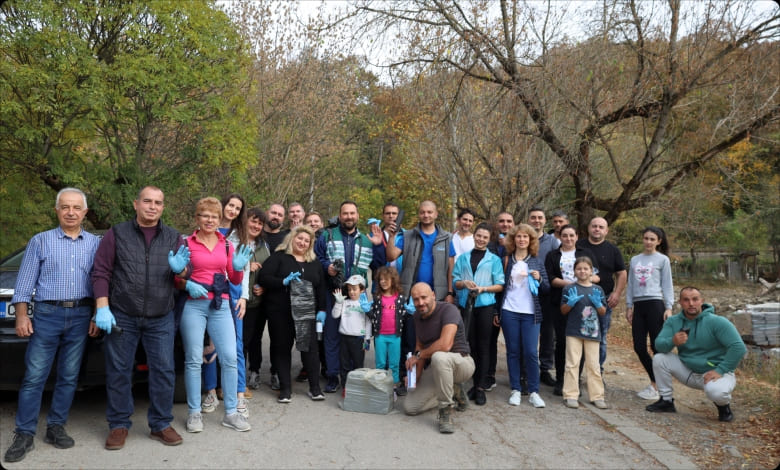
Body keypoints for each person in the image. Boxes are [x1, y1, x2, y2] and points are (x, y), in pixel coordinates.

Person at [4, 188, 100, 463]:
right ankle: (24, 433)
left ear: (85, 212)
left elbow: (100, 282)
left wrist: (96, 313)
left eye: (76, 207)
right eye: (65, 207)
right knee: (35, 376)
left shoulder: (94, 244)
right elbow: (24, 283)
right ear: (57, 210)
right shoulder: (40, 241)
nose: (71, 212)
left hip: (81, 316)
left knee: (69, 376)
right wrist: (22, 315)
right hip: (46, 315)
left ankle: (56, 427)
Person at [91, 186, 189, 450]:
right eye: (147, 201)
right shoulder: (117, 233)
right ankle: (119, 425)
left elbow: (184, 275)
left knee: (164, 371)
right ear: (136, 204)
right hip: (123, 314)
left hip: (161, 317)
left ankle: (160, 424)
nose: (152, 206)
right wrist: (102, 306)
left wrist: (183, 272)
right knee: (119, 371)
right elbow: (100, 272)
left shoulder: (173, 237)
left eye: (158, 202)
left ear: (163, 207)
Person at [178, 197, 251, 433]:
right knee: (193, 358)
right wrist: (184, 282)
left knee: (229, 357)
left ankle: (230, 412)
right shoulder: (186, 243)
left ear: (219, 219)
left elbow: (234, 278)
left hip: (221, 303)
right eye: (204, 215)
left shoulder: (227, 245)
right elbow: (176, 277)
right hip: (194, 304)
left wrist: (238, 268)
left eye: (214, 216)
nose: (209, 220)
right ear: (197, 218)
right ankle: (194, 413)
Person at [646, 287, 747, 422]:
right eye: (686, 300)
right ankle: (666, 401)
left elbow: (738, 347)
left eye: (695, 299)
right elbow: (658, 345)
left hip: (714, 373)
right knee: (660, 358)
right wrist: (672, 341)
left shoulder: (717, 322)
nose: (691, 304)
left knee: (716, 392)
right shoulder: (673, 321)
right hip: (689, 371)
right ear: (680, 302)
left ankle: (724, 408)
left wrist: (720, 370)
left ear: (702, 301)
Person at [315, 200, 385, 393]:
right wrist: (326, 267)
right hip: (334, 293)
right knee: (332, 335)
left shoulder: (366, 240)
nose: (349, 217)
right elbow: (316, 257)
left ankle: (353, 376)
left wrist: (379, 246)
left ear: (358, 216)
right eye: (345, 213)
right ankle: (332, 376)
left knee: (355, 336)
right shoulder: (328, 236)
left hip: (357, 295)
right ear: (340, 215)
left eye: (352, 213)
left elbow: (379, 265)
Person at [386, 200, 454, 396]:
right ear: (419, 214)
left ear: (436, 214)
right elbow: (391, 256)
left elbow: (451, 268)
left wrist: (449, 292)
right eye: (423, 212)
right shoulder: (407, 236)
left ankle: (431, 382)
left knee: (435, 341)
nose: (426, 215)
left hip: (438, 298)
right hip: (411, 298)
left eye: (429, 212)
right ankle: (407, 381)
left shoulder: (446, 238)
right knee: (409, 341)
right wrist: (391, 236)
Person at [259, 225, 328, 403]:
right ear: (292, 238)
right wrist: (283, 281)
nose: (302, 242)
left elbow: (320, 287)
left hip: (306, 313)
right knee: (282, 349)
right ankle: (285, 389)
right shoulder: (279, 257)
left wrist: (322, 309)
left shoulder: (314, 262)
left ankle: (315, 388)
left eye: (307, 240)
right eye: (300, 238)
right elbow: (264, 278)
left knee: (309, 350)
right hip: (281, 312)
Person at [402, 283, 475, 434]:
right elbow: (419, 347)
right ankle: (454, 390)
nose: (420, 303)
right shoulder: (417, 316)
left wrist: (419, 355)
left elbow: (445, 345)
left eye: (424, 297)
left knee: (439, 357)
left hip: (462, 364)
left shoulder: (449, 310)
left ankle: (445, 412)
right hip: (439, 368)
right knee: (410, 407)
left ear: (433, 295)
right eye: (416, 299)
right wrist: (415, 377)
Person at [452, 223, 505, 406]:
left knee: (484, 345)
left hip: (485, 306)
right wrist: (464, 284)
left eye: (485, 237)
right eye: (479, 235)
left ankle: (481, 387)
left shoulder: (494, 260)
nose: (481, 239)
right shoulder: (463, 257)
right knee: (470, 344)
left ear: (489, 240)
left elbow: (500, 285)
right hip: (467, 305)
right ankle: (473, 384)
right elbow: (455, 281)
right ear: (474, 236)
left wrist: (483, 289)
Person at [545, 225, 599, 396]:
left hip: (584, 304)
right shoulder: (553, 255)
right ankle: (562, 380)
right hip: (560, 303)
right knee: (562, 343)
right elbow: (551, 279)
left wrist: (583, 283)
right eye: (565, 236)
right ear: (559, 237)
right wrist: (571, 286)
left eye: (571, 235)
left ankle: (575, 380)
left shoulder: (586, 253)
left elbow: (597, 276)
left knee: (580, 340)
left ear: (577, 236)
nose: (568, 239)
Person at [501, 224, 550, 408]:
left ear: (531, 241)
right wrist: (499, 311)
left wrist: (539, 278)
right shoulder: (507, 260)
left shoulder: (537, 261)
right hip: (509, 310)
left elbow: (546, 289)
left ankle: (534, 391)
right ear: (513, 240)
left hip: (531, 313)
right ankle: (515, 389)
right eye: (518, 237)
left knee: (530, 352)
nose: (522, 240)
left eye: (525, 237)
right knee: (513, 351)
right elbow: (502, 286)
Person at [626, 226, 675, 401]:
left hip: (656, 304)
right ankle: (655, 380)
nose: (648, 242)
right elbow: (631, 284)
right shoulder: (635, 260)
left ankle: (658, 386)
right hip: (639, 305)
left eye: (652, 239)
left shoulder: (663, 260)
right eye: (646, 238)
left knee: (656, 346)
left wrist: (669, 307)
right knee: (639, 347)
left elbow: (667, 285)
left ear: (658, 241)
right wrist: (629, 305)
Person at [577, 217, 627, 373]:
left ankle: (597, 372)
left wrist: (617, 293)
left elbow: (621, 273)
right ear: (589, 228)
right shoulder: (579, 246)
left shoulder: (612, 250)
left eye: (600, 227)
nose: (597, 229)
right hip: (579, 299)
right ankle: (576, 372)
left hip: (603, 299)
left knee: (601, 337)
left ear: (606, 230)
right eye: (594, 226)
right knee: (577, 336)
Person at [560, 257, 608, 409]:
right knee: (572, 363)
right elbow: (563, 310)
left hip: (593, 333)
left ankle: (597, 396)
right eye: (579, 268)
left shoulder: (597, 290)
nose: (582, 271)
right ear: (574, 271)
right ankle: (570, 394)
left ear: (591, 271)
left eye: (586, 268)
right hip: (574, 331)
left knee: (594, 365)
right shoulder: (569, 288)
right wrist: (570, 303)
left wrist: (598, 304)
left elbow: (603, 312)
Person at [527, 206, 561, 391]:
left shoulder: (553, 242)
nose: (537, 220)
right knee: (527, 332)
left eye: (540, 217)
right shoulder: (524, 237)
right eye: (533, 217)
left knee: (548, 333)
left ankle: (545, 369)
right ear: (529, 219)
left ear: (544, 220)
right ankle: (526, 368)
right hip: (525, 293)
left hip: (547, 293)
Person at [367, 266, 409, 394]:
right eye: (381, 279)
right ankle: (380, 385)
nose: (383, 282)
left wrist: (410, 312)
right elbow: (373, 315)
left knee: (394, 364)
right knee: (380, 363)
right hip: (380, 336)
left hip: (395, 336)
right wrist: (367, 310)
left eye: (386, 279)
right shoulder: (377, 298)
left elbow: (405, 316)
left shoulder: (400, 299)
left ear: (393, 280)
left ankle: (394, 385)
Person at [485, 211, 515, 391]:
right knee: (490, 340)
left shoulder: (521, 244)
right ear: (496, 224)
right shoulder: (490, 245)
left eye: (509, 221)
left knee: (515, 342)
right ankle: (488, 375)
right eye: (501, 221)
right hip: (494, 298)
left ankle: (518, 379)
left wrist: (510, 248)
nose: (505, 224)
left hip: (515, 300)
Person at [331, 275, 373, 395]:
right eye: (349, 289)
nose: (351, 292)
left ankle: (358, 388)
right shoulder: (344, 302)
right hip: (345, 337)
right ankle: (345, 387)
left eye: (354, 289)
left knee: (358, 365)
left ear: (362, 289)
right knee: (344, 365)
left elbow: (368, 323)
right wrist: (338, 303)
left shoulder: (365, 304)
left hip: (359, 339)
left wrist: (367, 340)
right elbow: (335, 315)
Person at [244, 207, 271, 391]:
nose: (256, 225)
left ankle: (254, 371)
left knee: (256, 338)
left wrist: (264, 287)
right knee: (242, 340)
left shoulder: (264, 245)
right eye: (253, 221)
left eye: (260, 223)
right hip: (241, 301)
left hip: (258, 302)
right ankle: (238, 378)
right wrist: (247, 265)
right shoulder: (235, 241)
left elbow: (268, 272)